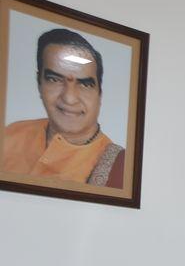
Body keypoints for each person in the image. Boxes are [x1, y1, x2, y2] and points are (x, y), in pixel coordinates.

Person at [2, 28, 124, 188]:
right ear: (39, 83)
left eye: (85, 84)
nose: (69, 98)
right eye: (54, 79)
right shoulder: (11, 134)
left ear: (99, 94)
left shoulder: (119, 168)